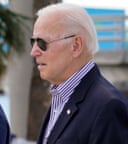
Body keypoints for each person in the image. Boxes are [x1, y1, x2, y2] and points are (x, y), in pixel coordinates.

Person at [30, 3, 128, 144]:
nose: (33, 52)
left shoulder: (108, 107)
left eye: (41, 42)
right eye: (32, 42)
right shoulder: (62, 97)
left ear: (76, 46)